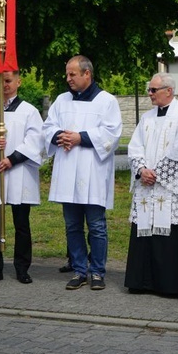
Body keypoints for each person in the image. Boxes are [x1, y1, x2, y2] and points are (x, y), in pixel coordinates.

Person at [43, 55, 122, 290]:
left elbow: (112, 133)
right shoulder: (62, 100)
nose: (68, 79)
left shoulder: (106, 101)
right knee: (72, 226)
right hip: (68, 170)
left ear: (87, 74)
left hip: (93, 172)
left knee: (97, 225)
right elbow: (48, 126)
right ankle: (79, 270)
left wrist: (79, 137)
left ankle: (97, 272)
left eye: (72, 74)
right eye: (67, 75)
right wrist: (60, 136)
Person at [125, 73, 178, 296]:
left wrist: (158, 174)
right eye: (149, 90)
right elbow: (134, 146)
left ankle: (168, 284)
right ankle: (142, 281)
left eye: (153, 90)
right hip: (147, 186)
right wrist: (141, 170)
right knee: (145, 231)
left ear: (169, 91)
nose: (150, 94)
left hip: (169, 187)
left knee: (169, 234)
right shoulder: (146, 118)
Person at [0, 69, 44, 285]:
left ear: (18, 81)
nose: (5, 85)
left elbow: (35, 140)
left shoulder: (29, 111)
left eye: (8, 81)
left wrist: (12, 159)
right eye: (1, 81)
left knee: (21, 222)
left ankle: (22, 267)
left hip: (18, 171)